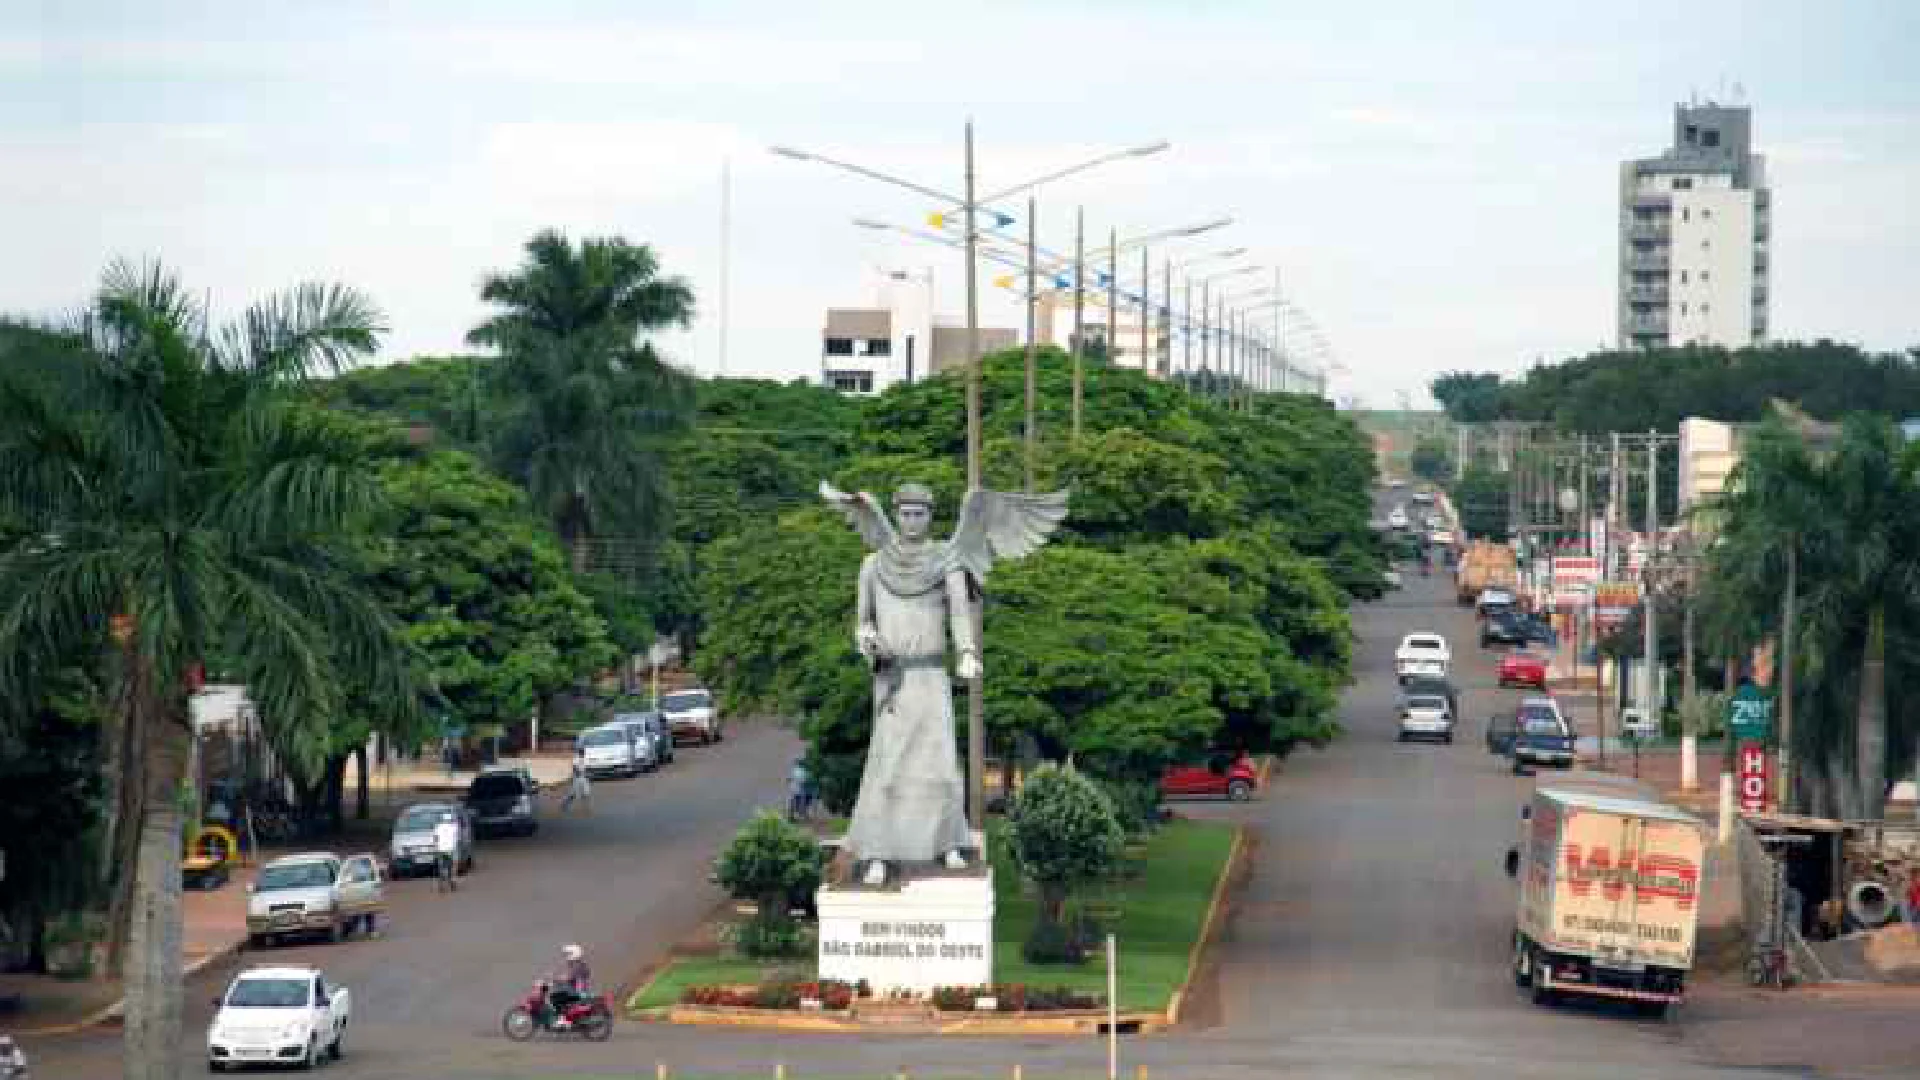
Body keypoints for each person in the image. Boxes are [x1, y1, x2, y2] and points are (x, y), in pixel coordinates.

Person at [546, 943, 592, 1027]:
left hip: (579, 992)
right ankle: (565, 1017)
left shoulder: (577, 966)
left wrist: (555, 978)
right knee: (559, 992)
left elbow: (568, 977)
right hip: (578, 991)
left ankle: (564, 1020)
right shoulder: (578, 964)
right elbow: (568, 977)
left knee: (555, 997)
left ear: (573, 954)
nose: (566, 956)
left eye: (568, 954)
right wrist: (556, 978)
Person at [432, 810, 460, 892]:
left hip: (441, 850)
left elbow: (435, 839)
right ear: (450, 819)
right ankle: (452, 881)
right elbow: (457, 837)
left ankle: (441, 885)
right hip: (452, 849)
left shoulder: (438, 827)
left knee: (442, 867)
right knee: (453, 866)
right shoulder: (454, 827)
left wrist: (436, 847)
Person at [560, 750, 591, 815]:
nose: (582, 755)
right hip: (577, 778)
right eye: (581, 753)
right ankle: (564, 804)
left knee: (586, 793)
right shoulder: (576, 759)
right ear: (579, 753)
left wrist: (586, 774)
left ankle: (586, 808)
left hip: (583, 777)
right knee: (573, 794)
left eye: (583, 754)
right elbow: (574, 768)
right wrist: (578, 773)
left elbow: (586, 768)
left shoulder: (585, 759)